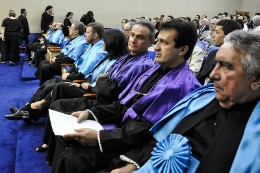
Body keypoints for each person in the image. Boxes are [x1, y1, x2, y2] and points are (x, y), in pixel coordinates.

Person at [44, 19, 201, 173]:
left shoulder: (181, 85)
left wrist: (101, 137)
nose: (157, 47)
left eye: (164, 43)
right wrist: (90, 113)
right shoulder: (155, 70)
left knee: (74, 157)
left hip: (135, 143)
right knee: (69, 130)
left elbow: (149, 130)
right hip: (123, 128)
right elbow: (123, 104)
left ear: (182, 50)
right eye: (158, 41)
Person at [122, 30, 260, 173]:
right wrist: (134, 165)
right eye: (216, 64)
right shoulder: (201, 97)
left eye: (226, 66)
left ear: (256, 78)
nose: (212, 75)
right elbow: (163, 137)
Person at [35, 21, 87, 86]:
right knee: (43, 63)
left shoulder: (81, 43)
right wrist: (55, 57)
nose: (69, 29)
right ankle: (43, 86)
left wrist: (56, 60)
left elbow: (71, 59)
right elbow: (63, 52)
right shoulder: (72, 39)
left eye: (71, 28)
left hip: (65, 64)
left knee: (46, 67)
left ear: (76, 31)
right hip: (62, 60)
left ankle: (44, 87)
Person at [196, 19, 241, 85]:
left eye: (217, 32)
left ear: (229, 36)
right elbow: (199, 78)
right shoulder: (213, 53)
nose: (213, 35)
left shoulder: (236, 61)